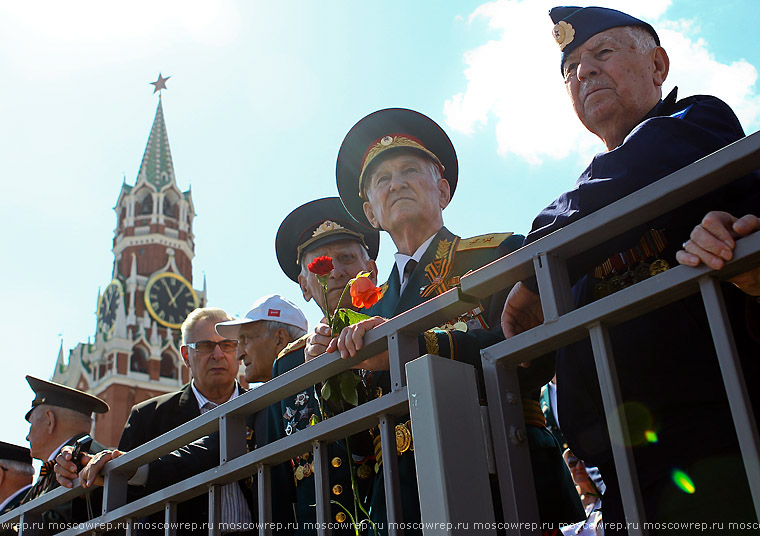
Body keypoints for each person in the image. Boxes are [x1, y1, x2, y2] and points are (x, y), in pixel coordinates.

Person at [502, 6, 760, 530]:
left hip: (723, 446)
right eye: (571, 69)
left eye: (603, 53)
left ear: (658, 65)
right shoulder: (578, 213)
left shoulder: (697, 123)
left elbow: (634, 173)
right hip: (625, 478)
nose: (585, 73)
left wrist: (533, 274)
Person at [316, 107, 582, 532]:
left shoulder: (497, 254)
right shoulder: (362, 305)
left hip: (503, 474)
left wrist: (411, 348)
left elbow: (533, 359)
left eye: (409, 170)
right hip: (403, 501)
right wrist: (329, 371)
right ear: (371, 215)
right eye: (382, 179)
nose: (397, 183)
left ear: (442, 190)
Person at [271, 196, 380, 532]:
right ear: (305, 285)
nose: (335, 272)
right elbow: (277, 474)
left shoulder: (392, 328)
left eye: (347, 258)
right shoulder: (288, 364)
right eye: (321, 263)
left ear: (371, 271)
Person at [117, 307, 254, 535]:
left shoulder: (262, 406)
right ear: (186, 356)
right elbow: (123, 498)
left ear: (239, 351)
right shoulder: (150, 417)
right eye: (205, 346)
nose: (218, 355)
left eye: (227, 345)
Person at [22, 375, 109, 533]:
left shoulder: (81, 460)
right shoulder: (55, 467)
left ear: (50, 420)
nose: (27, 436)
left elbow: (59, 525)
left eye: (31, 425)